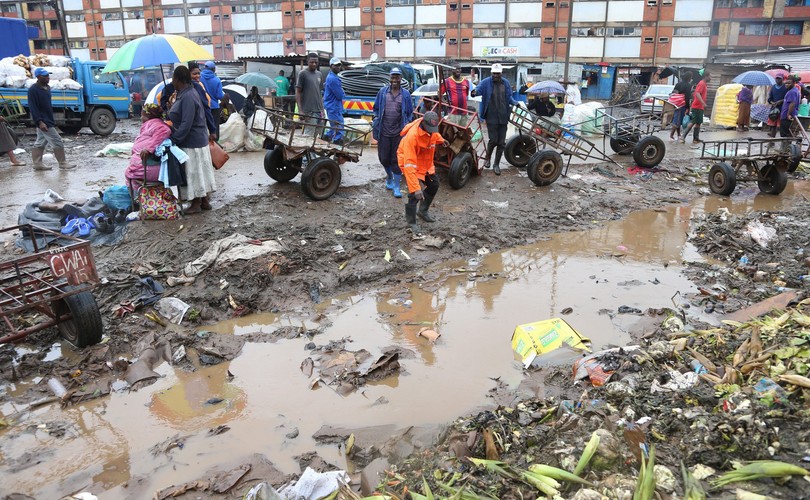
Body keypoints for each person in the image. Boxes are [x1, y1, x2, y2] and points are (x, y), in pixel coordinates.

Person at [168, 66, 216, 214]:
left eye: (173, 79)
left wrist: (174, 138)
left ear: (178, 79)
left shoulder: (188, 95)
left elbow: (186, 122)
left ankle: (196, 203)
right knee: (200, 172)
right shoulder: (186, 93)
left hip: (192, 141)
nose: (172, 82)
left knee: (194, 172)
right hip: (197, 139)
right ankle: (204, 201)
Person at [397, 111, 445, 233]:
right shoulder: (412, 137)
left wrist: (442, 140)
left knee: (434, 185)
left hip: (425, 163)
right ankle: (411, 222)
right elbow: (409, 165)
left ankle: (422, 211)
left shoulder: (431, 130)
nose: (431, 131)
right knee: (414, 194)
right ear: (423, 123)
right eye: (429, 129)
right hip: (410, 162)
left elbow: (434, 135)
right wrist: (416, 188)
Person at [372, 67, 413, 198]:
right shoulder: (382, 92)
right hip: (383, 131)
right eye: (393, 77)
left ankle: (396, 186)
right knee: (384, 158)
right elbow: (376, 108)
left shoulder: (405, 94)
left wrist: (407, 124)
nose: (395, 79)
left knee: (396, 160)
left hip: (398, 133)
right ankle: (389, 177)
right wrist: (375, 118)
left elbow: (410, 112)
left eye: (397, 77)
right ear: (390, 78)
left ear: (401, 79)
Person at [27, 68, 75, 170]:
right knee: (57, 140)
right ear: (38, 77)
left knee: (40, 142)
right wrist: (39, 122)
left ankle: (37, 163)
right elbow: (33, 107)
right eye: (45, 76)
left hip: (48, 118)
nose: (48, 78)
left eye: (48, 76)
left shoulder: (47, 88)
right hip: (43, 121)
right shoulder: (33, 90)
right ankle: (62, 163)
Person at [472, 63, 515, 175]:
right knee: (493, 140)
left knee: (501, 143)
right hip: (491, 116)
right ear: (491, 73)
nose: (496, 75)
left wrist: (515, 102)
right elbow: (478, 90)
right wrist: (474, 92)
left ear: (501, 73)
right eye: (494, 73)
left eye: (498, 73)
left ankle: (496, 164)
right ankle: (488, 158)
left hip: (503, 116)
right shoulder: (485, 82)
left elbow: (509, 97)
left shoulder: (505, 83)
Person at [125, 103, 172, 193]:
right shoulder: (150, 125)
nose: (141, 118)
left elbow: (164, 132)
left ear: (148, 116)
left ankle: (137, 197)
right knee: (130, 174)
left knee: (130, 174)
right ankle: (140, 196)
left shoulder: (159, 127)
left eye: (142, 115)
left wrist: (148, 149)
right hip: (143, 167)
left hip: (148, 169)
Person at [296, 53, 324, 135]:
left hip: (319, 110)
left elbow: (319, 92)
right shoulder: (302, 74)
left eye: (316, 62)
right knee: (309, 135)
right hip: (309, 111)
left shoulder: (319, 74)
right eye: (312, 62)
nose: (314, 64)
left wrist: (322, 110)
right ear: (307, 62)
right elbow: (298, 92)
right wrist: (300, 111)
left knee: (319, 135)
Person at [680, 70, 710, 144]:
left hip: (700, 107)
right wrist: (703, 103)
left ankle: (695, 139)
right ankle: (683, 136)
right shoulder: (702, 83)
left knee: (698, 123)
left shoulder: (704, 84)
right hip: (697, 106)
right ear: (706, 76)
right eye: (709, 76)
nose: (710, 78)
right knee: (693, 122)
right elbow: (697, 94)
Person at [190, 66, 217, 142]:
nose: (197, 76)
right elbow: (219, 95)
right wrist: (212, 130)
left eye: (199, 73)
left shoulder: (200, 84)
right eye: (194, 74)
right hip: (202, 117)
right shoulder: (197, 86)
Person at [323, 57, 345, 144]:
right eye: (336, 65)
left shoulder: (332, 76)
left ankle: (326, 138)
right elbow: (340, 95)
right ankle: (337, 144)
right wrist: (342, 92)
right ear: (331, 66)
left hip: (332, 106)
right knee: (339, 127)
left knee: (333, 127)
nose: (338, 67)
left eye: (339, 65)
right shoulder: (333, 79)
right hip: (334, 107)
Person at [200, 61, 225, 139]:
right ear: (213, 69)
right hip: (214, 107)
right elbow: (219, 96)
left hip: (202, 106)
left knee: (203, 126)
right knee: (214, 126)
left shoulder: (199, 78)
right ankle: (214, 143)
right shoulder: (217, 80)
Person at [669, 73, 692, 141]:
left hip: (675, 103)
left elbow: (673, 92)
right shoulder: (688, 85)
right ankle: (671, 136)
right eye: (691, 77)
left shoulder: (678, 84)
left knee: (679, 119)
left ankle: (678, 135)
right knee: (677, 120)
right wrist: (688, 107)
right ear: (689, 78)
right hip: (682, 104)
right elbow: (687, 97)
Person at [780, 75, 801, 144]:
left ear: (794, 83)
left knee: (785, 135)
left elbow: (792, 103)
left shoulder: (792, 92)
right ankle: (787, 148)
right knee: (788, 134)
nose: (787, 85)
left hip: (787, 116)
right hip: (791, 115)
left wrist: (788, 114)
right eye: (786, 83)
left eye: (789, 83)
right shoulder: (795, 90)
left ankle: (785, 148)